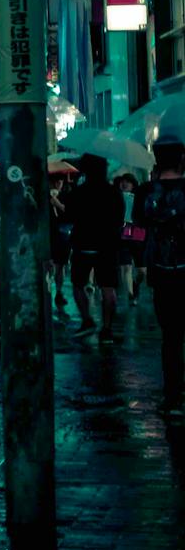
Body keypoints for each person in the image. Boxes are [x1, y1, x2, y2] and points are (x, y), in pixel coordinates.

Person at [134, 137, 185, 417]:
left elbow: (137, 231)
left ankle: (173, 395)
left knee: (171, 336)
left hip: (160, 271)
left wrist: (139, 263)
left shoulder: (145, 192)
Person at [68, 154, 123, 338]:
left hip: (83, 244)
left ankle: (87, 319)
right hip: (107, 246)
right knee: (108, 289)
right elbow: (119, 218)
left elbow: (69, 215)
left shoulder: (79, 192)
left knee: (78, 285)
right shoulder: (114, 192)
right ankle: (106, 329)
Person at [115, 171, 145, 306]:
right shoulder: (116, 197)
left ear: (133, 184)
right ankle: (131, 294)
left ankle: (135, 285)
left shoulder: (138, 197)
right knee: (126, 266)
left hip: (137, 230)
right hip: (123, 230)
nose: (125, 183)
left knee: (141, 271)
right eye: (123, 181)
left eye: (128, 181)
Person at [49, 175, 73, 311]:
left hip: (62, 235)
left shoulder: (66, 196)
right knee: (50, 264)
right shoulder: (45, 195)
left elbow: (70, 212)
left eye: (60, 181)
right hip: (49, 234)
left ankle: (59, 291)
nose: (58, 183)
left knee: (60, 266)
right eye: (55, 181)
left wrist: (57, 203)